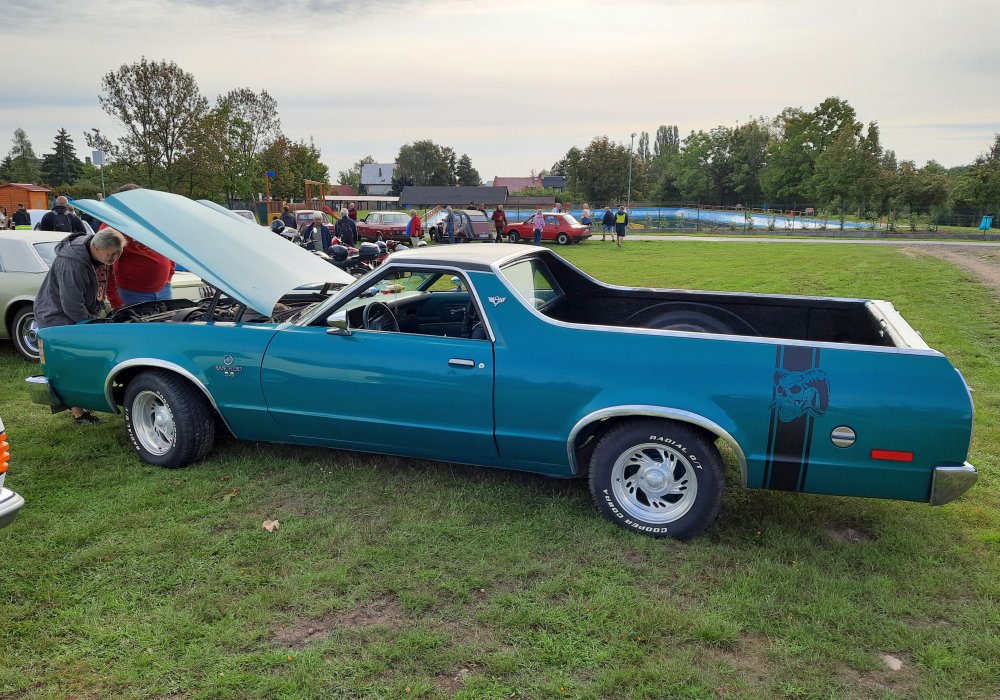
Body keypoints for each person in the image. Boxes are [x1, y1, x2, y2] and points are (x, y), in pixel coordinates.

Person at [34, 227, 127, 425]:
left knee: (80, 362)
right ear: (97, 248)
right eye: (111, 254)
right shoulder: (72, 263)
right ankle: (79, 413)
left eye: (118, 254)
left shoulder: (98, 255)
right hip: (56, 316)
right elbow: (72, 305)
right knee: (68, 364)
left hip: (76, 311)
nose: (115, 259)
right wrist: (91, 325)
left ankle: (82, 404)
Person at [104, 184, 177, 309]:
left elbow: (171, 248)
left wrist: (170, 274)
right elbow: (105, 265)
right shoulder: (113, 226)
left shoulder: (156, 221)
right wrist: (114, 298)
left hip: (164, 289)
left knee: (167, 322)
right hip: (132, 294)